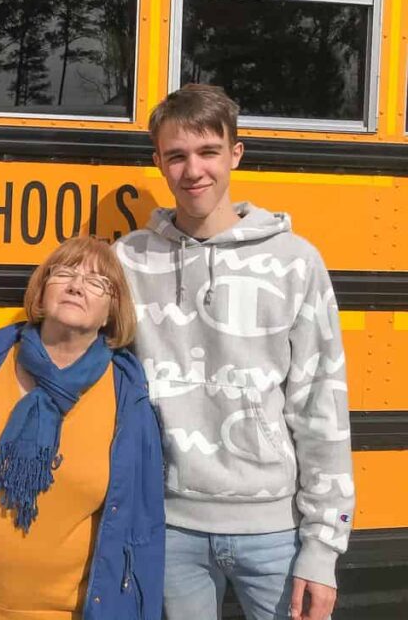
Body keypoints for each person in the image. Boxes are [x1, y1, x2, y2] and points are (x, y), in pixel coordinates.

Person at [113, 84, 354, 620]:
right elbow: (75, 339)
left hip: (274, 532)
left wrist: (322, 548)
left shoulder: (295, 262)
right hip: (167, 526)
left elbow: (321, 403)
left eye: (208, 152)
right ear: (158, 162)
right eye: (176, 155)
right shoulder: (128, 260)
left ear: (235, 154)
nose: (193, 170)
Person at [0, 236, 164, 620]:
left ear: (111, 312)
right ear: (42, 290)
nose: (77, 286)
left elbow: (143, 528)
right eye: (64, 273)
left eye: (97, 282)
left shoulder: (129, 398)